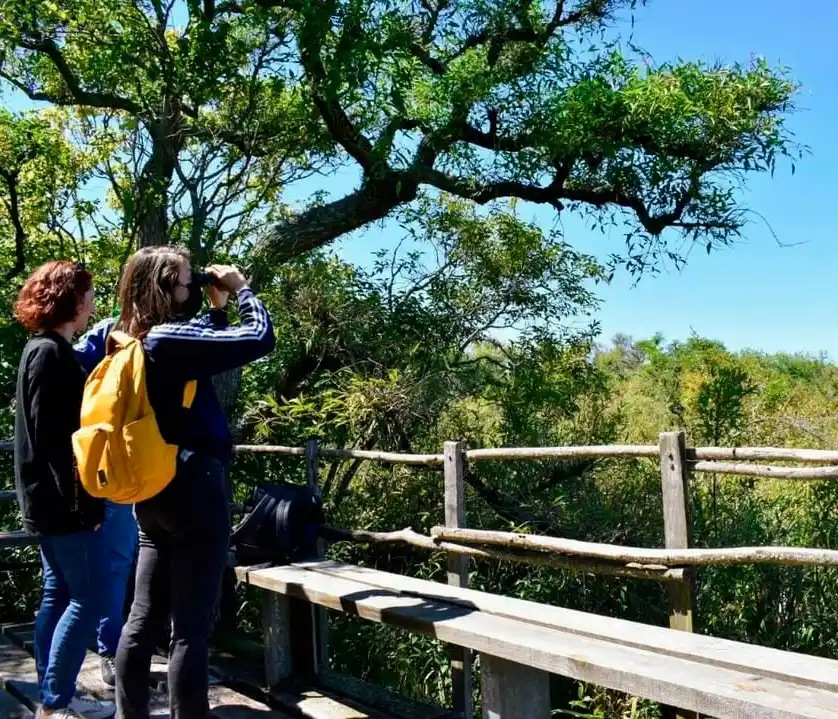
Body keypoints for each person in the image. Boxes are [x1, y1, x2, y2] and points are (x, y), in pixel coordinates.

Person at [75, 246, 275, 719]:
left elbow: (206, 347)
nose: (191, 287)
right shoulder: (167, 340)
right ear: (165, 288)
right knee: (189, 628)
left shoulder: (127, 337)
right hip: (195, 489)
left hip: (153, 489)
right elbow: (260, 338)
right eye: (185, 281)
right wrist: (242, 290)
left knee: (142, 619)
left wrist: (215, 307)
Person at [13, 260, 116, 719]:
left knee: (58, 592)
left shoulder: (41, 349)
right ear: (70, 300)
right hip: (61, 503)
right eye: (89, 295)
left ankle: (53, 693)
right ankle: (56, 701)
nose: (93, 304)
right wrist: (86, 503)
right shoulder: (51, 354)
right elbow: (58, 442)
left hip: (45, 499)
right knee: (88, 598)